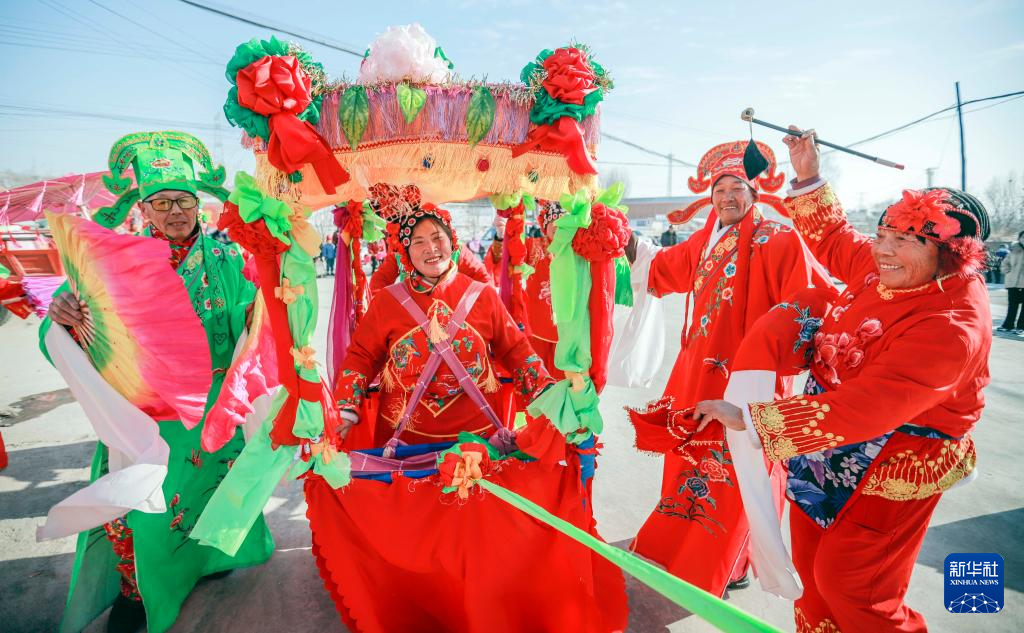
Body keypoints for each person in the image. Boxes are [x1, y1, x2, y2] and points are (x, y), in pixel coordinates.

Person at [694, 127, 992, 632]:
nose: (884, 250)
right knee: (811, 575)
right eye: (883, 234)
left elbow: (867, 407)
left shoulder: (953, 325)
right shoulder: (885, 270)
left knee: (855, 586)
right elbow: (834, 238)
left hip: (895, 456)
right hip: (825, 444)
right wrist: (808, 173)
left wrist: (753, 419)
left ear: (951, 254)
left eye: (905, 240)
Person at [306, 201, 628, 632]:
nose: (430, 248)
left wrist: (555, 402)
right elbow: (361, 356)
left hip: (475, 446)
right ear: (405, 253)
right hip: (406, 447)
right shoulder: (386, 303)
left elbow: (518, 352)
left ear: (452, 241)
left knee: (476, 545)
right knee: (421, 545)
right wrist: (345, 409)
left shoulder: (483, 296)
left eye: (437, 237)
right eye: (418, 242)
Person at [43, 131, 273, 633]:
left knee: (213, 491)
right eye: (163, 202)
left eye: (184, 201)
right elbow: (73, 318)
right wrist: (62, 314)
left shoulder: (228, 260)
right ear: (144, 208)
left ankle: (209, 559)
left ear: (199, 206)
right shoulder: (117, 260)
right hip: (150, 412)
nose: (176, 212)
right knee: (142, 507)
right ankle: (139, 591)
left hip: (213, 410)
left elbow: (253, 318)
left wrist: (270, 297)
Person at [628, 140, 830, 597]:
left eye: (736, 188)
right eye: (719, 190)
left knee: (740, 468)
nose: (727, 197)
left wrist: (783, 355)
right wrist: (618, 236)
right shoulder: (705, 240)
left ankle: (730, 563)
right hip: (698, 372)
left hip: (747, 378)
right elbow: (662, 269)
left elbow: (810, 300)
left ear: (754, 193)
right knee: (691, 458)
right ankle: (684, 550)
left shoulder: (778, 238)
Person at [998, 230, 1024, 334]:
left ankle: (1021, 327)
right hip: (1012, 282)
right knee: (1012, 305)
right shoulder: (1014, 249)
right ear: (1019, 238)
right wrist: (1007, 272)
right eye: (1023, 237)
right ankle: (1008, 325)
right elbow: (1005, 263)